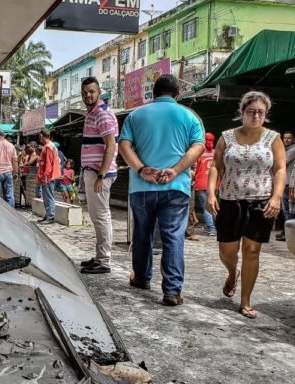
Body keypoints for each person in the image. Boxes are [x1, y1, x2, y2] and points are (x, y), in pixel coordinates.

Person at [118, 74, 205, 306]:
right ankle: (172, 291)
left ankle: (141, 278)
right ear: (178, 94)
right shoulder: (189, 116)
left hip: (142, 187)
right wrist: (175, 170)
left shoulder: (136, 115)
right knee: (173, 236)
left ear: (153, 94)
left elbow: (124, 145)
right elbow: (198, 146)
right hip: (176, 187)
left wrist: (141, 169)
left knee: (142, 233)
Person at [206, 91, 287, 319]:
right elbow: (215, 166)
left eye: (261, 112)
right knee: (227, 251)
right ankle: (232, 273)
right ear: (242, 112)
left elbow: (280, 169)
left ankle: (245, 301)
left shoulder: (273, 138)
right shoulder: (227, 137)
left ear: (266, 114)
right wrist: (211, 193)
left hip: (260, 202)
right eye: (251, 112)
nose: (256, 116)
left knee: (252, 251)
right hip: (229, 201)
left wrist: (276, 197)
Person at [79, 77, 119, 275]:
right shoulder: (93, 113)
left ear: (99, 92)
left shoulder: (102, 114)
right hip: (94, 172)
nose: (88, 95)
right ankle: (100, 256)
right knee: (98, 217)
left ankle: (103, 260)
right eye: (85, 92)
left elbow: (110, 145)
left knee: (101, 217)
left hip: (99, 173)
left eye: (92, 91)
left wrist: (101, 175)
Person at [275, 131, 295, 241]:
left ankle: (289, 234)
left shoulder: (293, 151)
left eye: (289, 138)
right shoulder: (286, 150)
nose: (286, 140)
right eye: (285, 138)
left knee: (288, 209)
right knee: (285, 209)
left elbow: (281, 162)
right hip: (285, 183)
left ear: (294, 140)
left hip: (289, 183)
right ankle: (285, 232)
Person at [37, 129, 62, 224]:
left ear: (41, 136)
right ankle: (48, 215)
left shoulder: (48, 147)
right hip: (48, 175)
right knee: (46, 196)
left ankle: (50, 217)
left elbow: (48, 163)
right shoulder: (49, 146)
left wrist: (45, 176)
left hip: (48, 176)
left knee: (49, 196)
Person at [194, 132, 216, 236]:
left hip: (201, 183)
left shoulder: (199, 153)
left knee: (206, 207)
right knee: (213, 205)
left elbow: (194, 168)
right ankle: (215, 227)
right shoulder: (216, 152)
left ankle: (211, 229)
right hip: (214, 183)